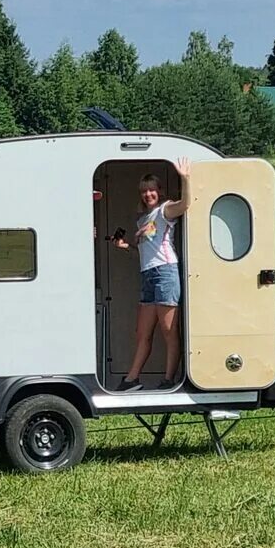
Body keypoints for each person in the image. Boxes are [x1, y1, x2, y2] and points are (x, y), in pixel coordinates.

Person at [111, 157, 190, 392]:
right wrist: (128, 248)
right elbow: (147, 253)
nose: (148, 194)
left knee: (168, 332)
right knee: (142, 332)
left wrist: (185, 177)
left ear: (159, 191)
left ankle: (170, 379)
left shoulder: (165, 210)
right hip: (148, 274)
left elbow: (186, 204)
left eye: (152, 190)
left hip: (165, 272)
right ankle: (131, 380)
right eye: (144, 191)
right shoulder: (143, 218)